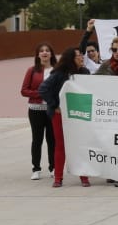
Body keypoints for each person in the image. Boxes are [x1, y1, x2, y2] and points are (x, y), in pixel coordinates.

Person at [38, 47, 91, 188]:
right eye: (78, 56)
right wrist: (54, 105)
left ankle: (84, 177)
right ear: (71, 59)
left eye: (81, 55)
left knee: (79, 145)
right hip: (59, 115)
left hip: (79, 115)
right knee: (60, 145)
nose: (81, 57)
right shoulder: (59, 73)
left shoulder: (85, 72)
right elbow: (43, 88)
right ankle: (58, 178)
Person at [20, 42, 57, 180]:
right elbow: (24, 90)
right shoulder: (32, 70)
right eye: (41, 51)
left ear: (51, 54)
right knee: (37, 139)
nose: (44, 53)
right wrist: (41, 94)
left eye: (47, 50)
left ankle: (53, 167)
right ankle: (36, 168)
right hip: (35, 109)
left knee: (52, 139)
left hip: (52, 109)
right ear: (38, 55)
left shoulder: (56, 70)